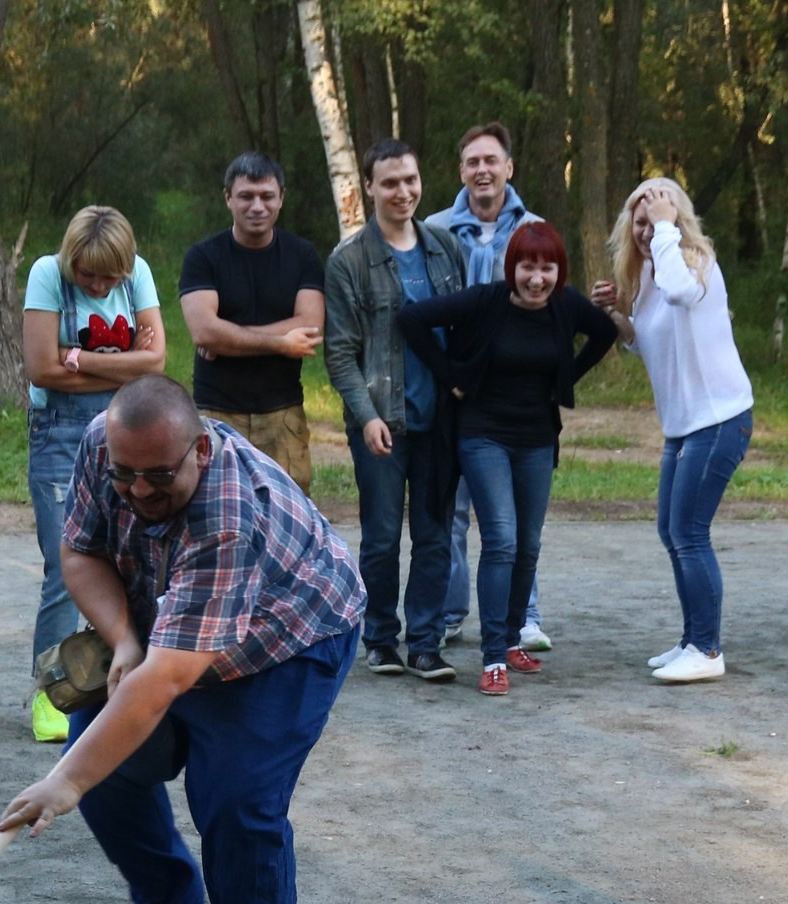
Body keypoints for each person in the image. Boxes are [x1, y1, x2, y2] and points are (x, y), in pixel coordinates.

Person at [0, 375, 363, 904]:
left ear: (198, 450)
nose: (138, 491)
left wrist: (63, 781)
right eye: (125, 475)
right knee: (102, 757)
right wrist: (122, 640)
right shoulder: (103, 445)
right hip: (170, 631)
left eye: (158, 475)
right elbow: (79, 553)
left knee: (235, 795)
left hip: (291, 635)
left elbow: (165, 682)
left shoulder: (228, 511)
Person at [399, 223, 614, 697]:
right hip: (483, 436)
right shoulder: (485, 301)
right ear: (511, 266)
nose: (536, 278)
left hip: (537, 438)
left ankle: (515, 638)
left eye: (547, 268)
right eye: (527, 267)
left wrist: (567, 379)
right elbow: (411, 320)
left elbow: (604, 332)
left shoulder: (566, 305)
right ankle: (493, 656)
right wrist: (449, 372)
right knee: (501, 539)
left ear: (559, 272)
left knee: (529, 545)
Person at [594, 179, 753, 684]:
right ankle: (692, 638)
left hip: (719, 418)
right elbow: (648, 342)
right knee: (672, 529)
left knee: (688, 531)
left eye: (657, 218)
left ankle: (707, 650)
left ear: (677, 219)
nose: (646, 231)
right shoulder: (649, 273)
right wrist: (616, 315)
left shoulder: (694, 264)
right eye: (639, 222)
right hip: (684, 427)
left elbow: (683, 293)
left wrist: (666, 226)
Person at [324, 139, 466, 683]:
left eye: (409, 180)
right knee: (381, 537)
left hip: (440, 424)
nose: (402, 191)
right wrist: (366, 416)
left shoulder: (444, 248)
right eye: (390, 182)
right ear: (369, 188)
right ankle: (381, 638)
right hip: (381, 423)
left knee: (434, 535)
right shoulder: (348, 261)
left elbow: (463, 327)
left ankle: (427, 643)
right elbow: (339, 352)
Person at [23, 204, 165, 740]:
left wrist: (76, 359)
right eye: (89, 276)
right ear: (70, 261)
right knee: (67, 565)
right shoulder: (45, 274)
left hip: (125, 428)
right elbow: (40, 368)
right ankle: (52, 691)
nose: (101, 286)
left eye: (111, 277)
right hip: (58, 433)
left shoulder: (139, 273)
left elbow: (156, 363)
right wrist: (122, 366)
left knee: (135, 558)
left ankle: (126, 677)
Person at [427, 122, 553, 655]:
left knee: (518, 522)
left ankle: (523, 617)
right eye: (472, 161)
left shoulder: (535, 228)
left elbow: (552, 305)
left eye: (491, 160)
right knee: (452, 508)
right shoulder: (432, 230)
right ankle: (453, 613)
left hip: (515, 395)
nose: (482, 170)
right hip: (454, 392)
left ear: (509, 168)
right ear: (461, 172)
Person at [178, 154, 324, 494]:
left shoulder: (302, 255)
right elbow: (203, 331)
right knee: (214, 510)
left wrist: (224, 336)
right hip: (216, 412)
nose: (257, 206)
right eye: (246, 196)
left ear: (281, 198)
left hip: (283, 413)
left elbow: (310, 324)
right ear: (228, 197)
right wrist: (281, 342)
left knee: (288, 516)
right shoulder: (202, 257)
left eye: (266, 196)